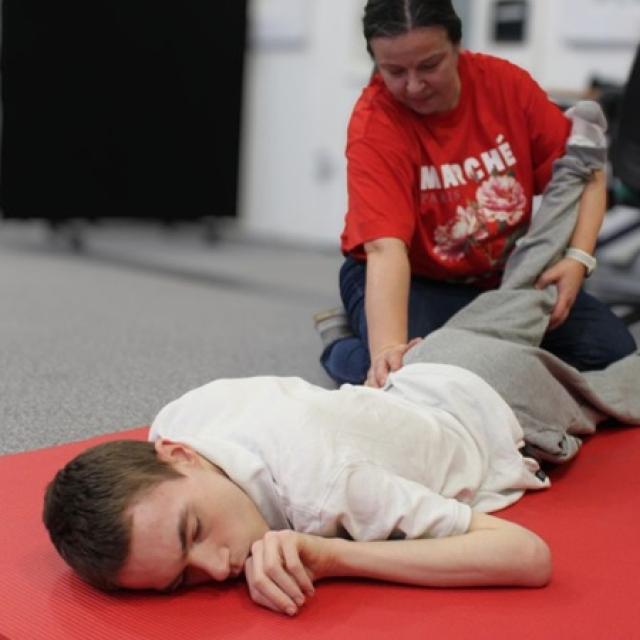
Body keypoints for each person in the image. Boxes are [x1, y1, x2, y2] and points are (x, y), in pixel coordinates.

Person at [43, 108, 640, 617]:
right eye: (182, 579)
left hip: (506, 406)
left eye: (192, 532)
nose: (219, 566)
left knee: (621, 383)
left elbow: (527, 557)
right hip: (427, 369)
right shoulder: (177, 423)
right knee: (529, 279)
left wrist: (333, 555)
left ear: (179, 457)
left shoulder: (329, 492)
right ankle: (578, 154)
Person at [317, 0, 637, 387]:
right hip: (415, 279)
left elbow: (587, 171)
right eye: (394, 71)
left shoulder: (505, 86)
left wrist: (577, 259)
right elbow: (387, 250)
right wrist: (388, 353)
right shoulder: (376, 124)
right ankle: (342, 345)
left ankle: (484, 352)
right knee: (420, 374)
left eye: (430, 65)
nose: (414, 86)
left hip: (499, 281)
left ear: (456, 46)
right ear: (375, 62)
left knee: (612, 356)